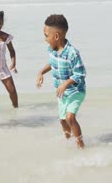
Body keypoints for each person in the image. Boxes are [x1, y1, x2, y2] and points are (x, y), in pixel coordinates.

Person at [36, 14, 86, 149]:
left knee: (70, 118)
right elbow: (52, 63)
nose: (45, 39)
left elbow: (80, 74)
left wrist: (66, 83)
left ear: (56, 36)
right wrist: (41, 72)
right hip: (61, 93)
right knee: (63, 120)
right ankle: (68, 140)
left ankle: (80, 145)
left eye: (46, 35)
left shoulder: (72, 53)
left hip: (76, 91)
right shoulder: (52, 50)